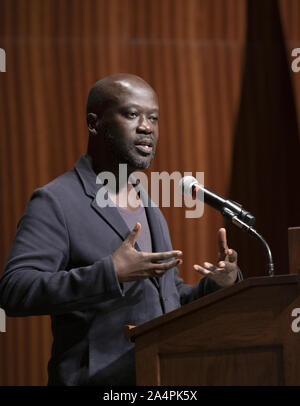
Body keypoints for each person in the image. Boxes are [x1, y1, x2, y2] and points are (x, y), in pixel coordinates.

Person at [0, 73, 240, 386]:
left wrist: (215, 287)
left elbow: (163, 298)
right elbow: (15, 290)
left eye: (153, 117)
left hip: (158, 377)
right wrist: (109, 273)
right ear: (93, 123)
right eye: (131, 114)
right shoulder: (56, 201)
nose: (147, 127)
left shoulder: (146, 201)